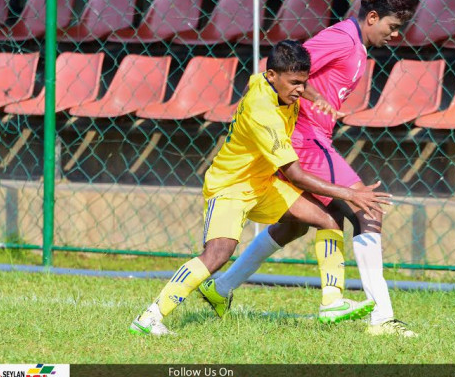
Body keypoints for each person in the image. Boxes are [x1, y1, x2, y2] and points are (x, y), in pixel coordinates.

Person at [199, 0, 420, 337]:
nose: (395, 35)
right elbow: (288, 70)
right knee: (367, 208)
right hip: (304, 138)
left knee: (298, 222)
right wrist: (314, 98)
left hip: (313, 138)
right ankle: (382, 318)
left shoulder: (357, 45)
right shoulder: (341, 39)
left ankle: (220, 287)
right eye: (393, 27)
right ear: (372, 16)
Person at [130, 40, 391, 336]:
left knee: (325, 218)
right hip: (231, 185)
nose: (298, 90)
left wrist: (316, 95)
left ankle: (331, 301)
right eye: (293, 83)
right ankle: (150, 316)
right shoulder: (263, 112)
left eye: (303, 83)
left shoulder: (269, 81)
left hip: (262, 182)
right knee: (218, 253)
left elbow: (296, 85)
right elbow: (296, 174)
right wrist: (351, 193)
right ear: (272, 77)